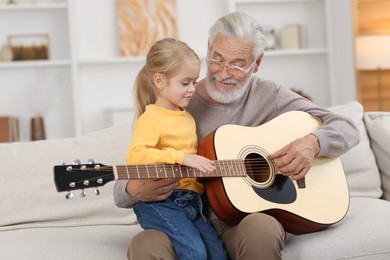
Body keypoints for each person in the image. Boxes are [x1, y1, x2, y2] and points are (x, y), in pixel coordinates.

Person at [114, 12, 360, 260]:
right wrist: (134, 189)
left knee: (262, 228)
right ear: (208, 48)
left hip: (241, 220)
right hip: (184, 214)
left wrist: (313, 143)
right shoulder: (174, 97)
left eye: (238, 63)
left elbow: (347, 126)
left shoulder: (269, 94)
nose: (223, 73)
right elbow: (125, 178)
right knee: (145, 245)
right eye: (217, 59)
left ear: (257, 63)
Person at [122, 38, 227, 260]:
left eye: (194, 82)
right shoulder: (151, 118)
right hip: (162, 202)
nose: (192, 89)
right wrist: (181, 158)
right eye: (185, 83)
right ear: (160, 81)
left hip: (192, 201)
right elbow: (135, 156)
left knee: (218, 254)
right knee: (193, 252)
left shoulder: (187, 117)